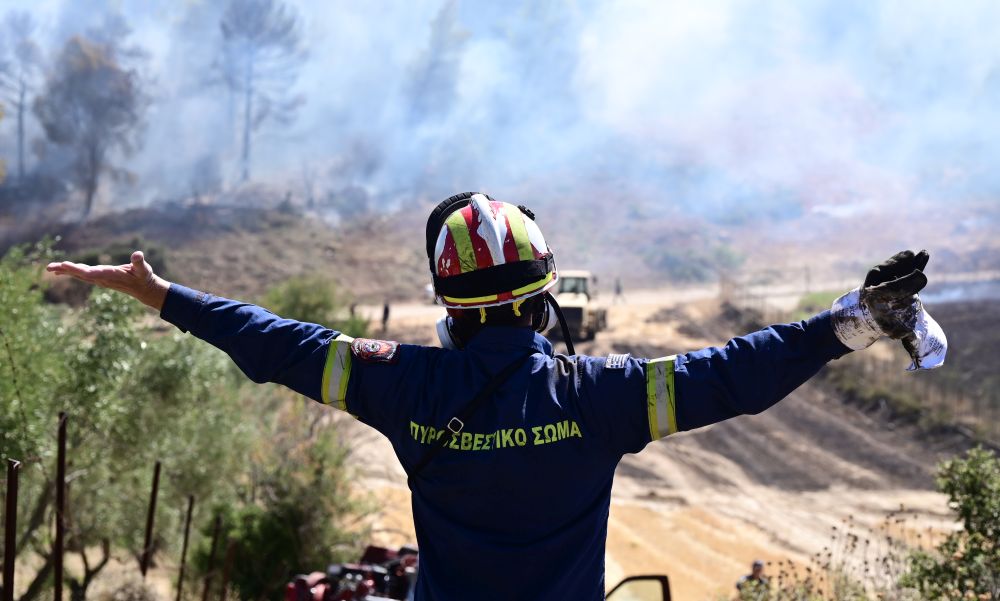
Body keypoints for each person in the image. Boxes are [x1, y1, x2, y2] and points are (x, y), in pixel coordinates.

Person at [46, 192, 945, 601]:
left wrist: (163, 296)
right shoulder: (601, 393)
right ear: (544, 298)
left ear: (451, 307)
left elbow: (281, 344)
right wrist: (846, 325)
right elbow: (735, 372)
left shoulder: (403, 384)